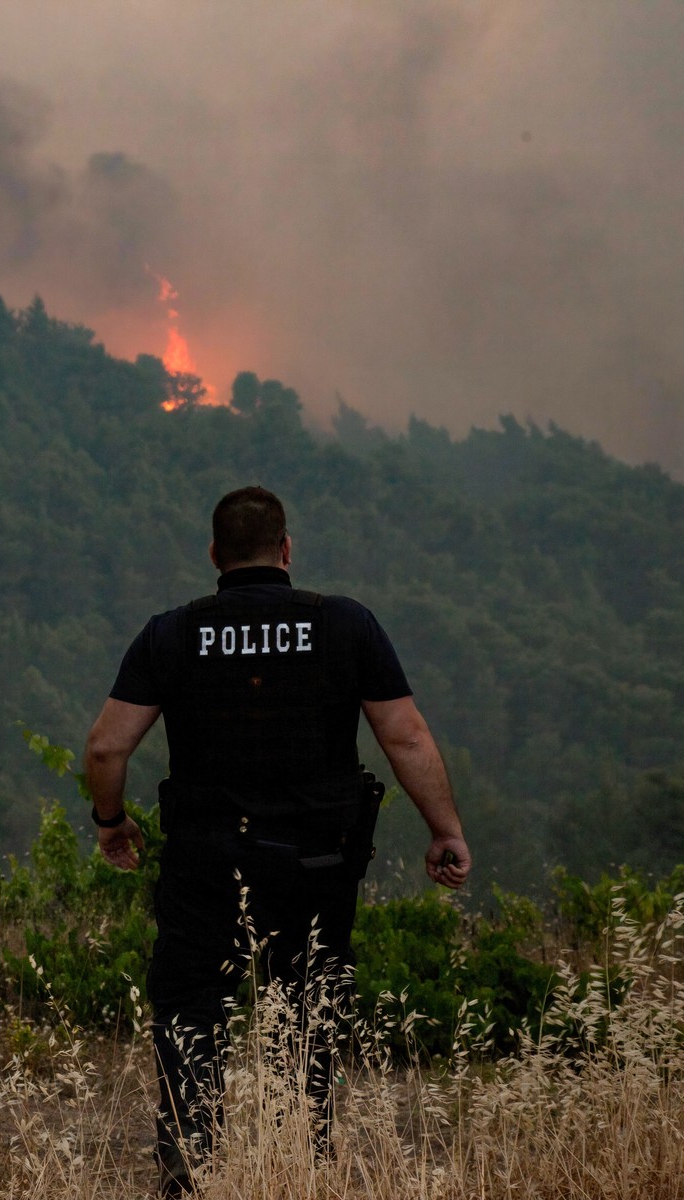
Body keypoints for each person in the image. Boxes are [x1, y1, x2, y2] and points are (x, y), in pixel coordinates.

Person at [82, 485, 470, 1196]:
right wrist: (444, 829)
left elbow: (107, 748)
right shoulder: (345, 625)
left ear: (214, 556)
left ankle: (188, 1174)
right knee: (308, 1016)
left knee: (191, 1011)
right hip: (315, 865)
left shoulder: (171, 634)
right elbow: (405, 735)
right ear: (286, 550)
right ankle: (299, 1166)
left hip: (205, 864)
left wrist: (112, 824)